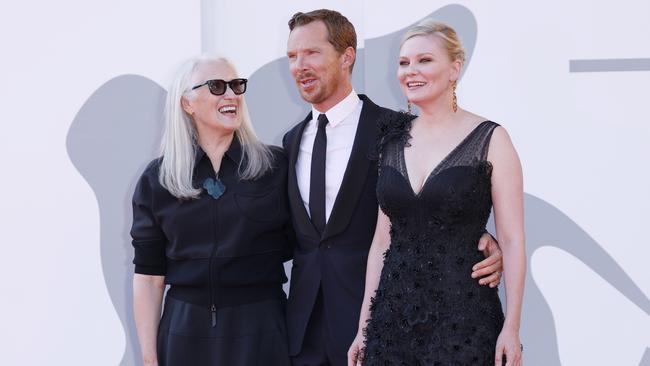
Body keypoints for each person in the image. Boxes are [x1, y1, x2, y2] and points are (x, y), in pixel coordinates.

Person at [283, 10, 505, 366]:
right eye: (292, 56)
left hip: (386, 323)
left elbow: (436, 201)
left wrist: (481, 239)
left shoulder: (396, 130)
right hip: (306, 333)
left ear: (347, 56)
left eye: (311, 53)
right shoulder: (292, 141)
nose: (299, 65)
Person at [347, 19, 526, 366]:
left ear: (454, 68)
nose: (410, 71)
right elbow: (382, 242)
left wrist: (513, 328)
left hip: (465, 318)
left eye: (424, 60)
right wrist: (363, 328)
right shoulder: (391, 140)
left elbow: (513, 239)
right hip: (392, 321)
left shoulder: (492, 139)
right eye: (403, 63)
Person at [130, 55, 293, 366]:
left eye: (236, 85)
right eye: (217, 87)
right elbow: (149, 277)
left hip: (263, 331)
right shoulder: (158, 180)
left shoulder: (275, 167)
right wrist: (150, 359)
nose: (231, 95)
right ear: (187, 104)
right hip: (184, 333)